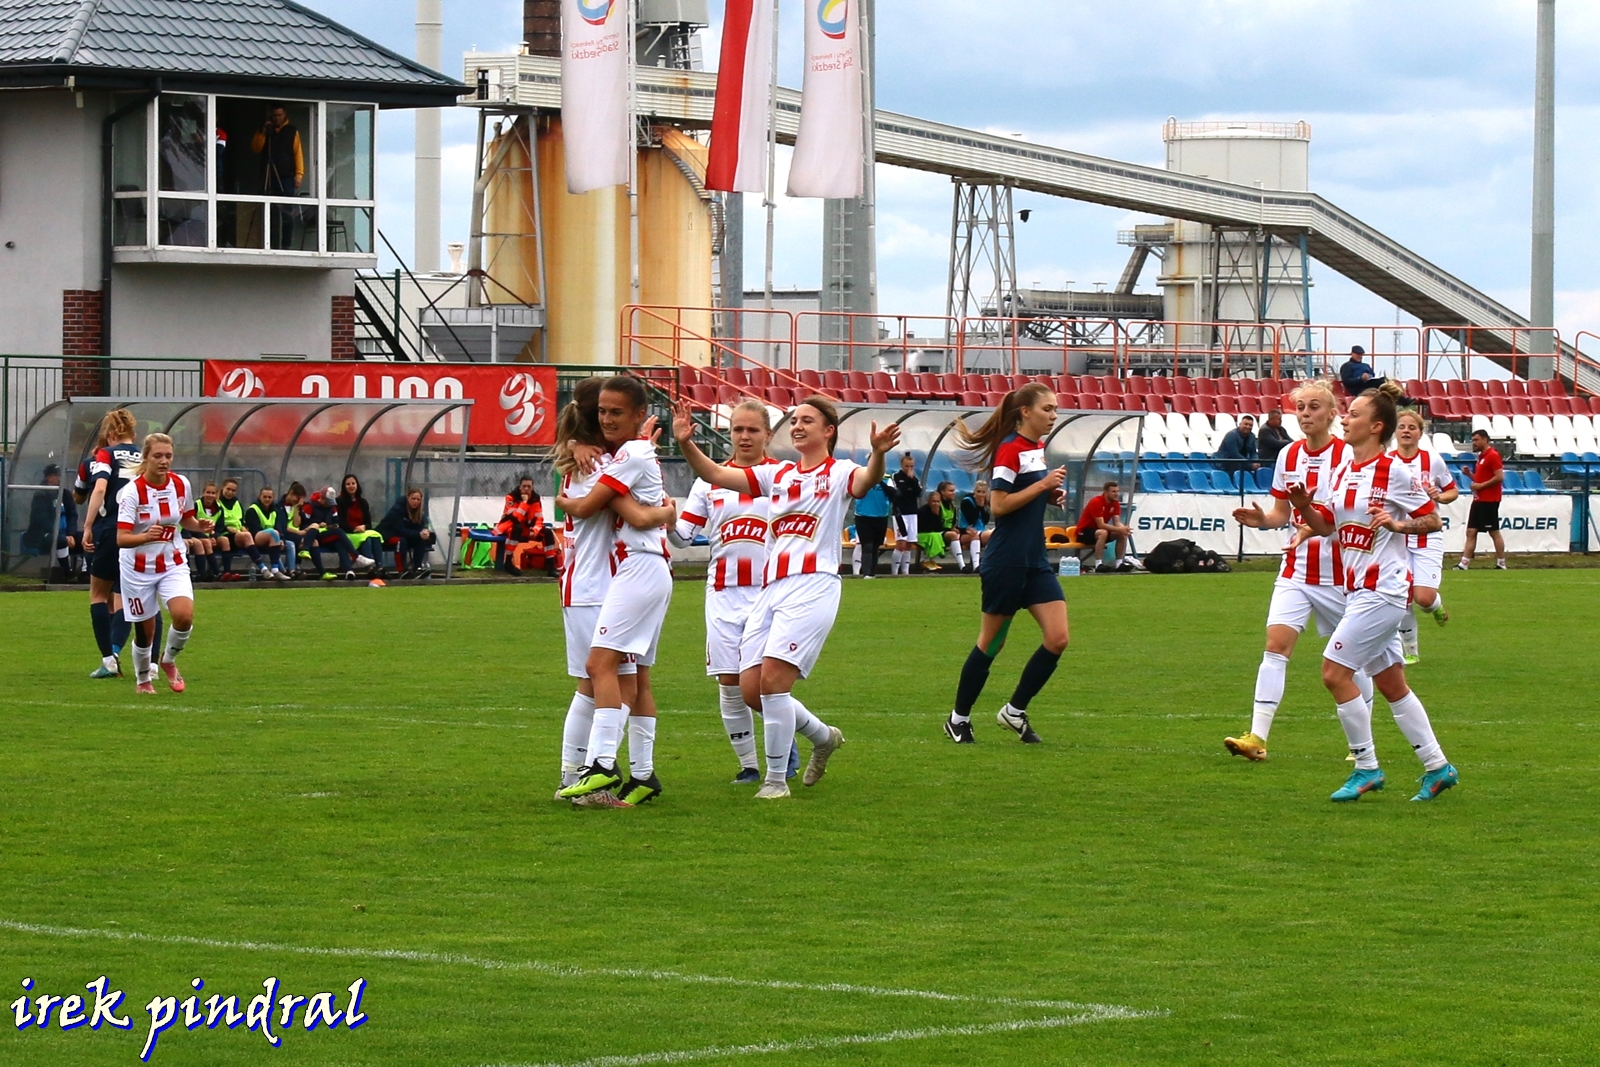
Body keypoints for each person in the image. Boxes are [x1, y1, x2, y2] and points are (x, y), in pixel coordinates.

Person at [673, 394, 900, 798]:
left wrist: (878, 453)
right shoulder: (779, 475)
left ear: (828, 431)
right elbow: (715, 474)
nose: (797, 426)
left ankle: (775, 781)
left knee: (774, 682)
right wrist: (686, 442)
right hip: (771, 588)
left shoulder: (839, 472)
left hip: (813, 585)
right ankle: (823, 737)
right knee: (749, 688)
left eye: (807, 420)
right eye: (794, 420)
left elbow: (866, 481)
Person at [1288, 381, 1459, 802]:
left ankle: (1366, 768)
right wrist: (1304, 505)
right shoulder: (1343, 469)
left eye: (1354, 415)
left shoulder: (1395, 471)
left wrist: (1398, 524)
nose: (1345, 419)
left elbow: (1433, 520)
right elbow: (1326, 525)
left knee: (1334, 673)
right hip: (1356, 589)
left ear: (1376, 426)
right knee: (1391, 684)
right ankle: (1438, 767)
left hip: (1382, 591)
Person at [1225, 380, 1369, 763]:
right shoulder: (1288, 454)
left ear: (1332, 413)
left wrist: (1308, 520)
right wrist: (1262, 520)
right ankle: (1257, 737)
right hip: (1297, 570)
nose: (1305, 414)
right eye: (1300, 407)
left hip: (1342, 574)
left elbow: (1339, 518)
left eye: (1314, 407)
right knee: (1276, 646)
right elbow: (1280, 513)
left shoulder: (1348, 455)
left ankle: (1362, 744)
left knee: (1354, 661)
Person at [556, 376, 679, 808]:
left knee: (603, 678)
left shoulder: (611, 460)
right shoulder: (600, 463)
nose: (609, 419)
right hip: (602, 580)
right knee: (618, 680)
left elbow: (635, 512)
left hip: (610, 579)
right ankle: (616, 773)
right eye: (603, 413)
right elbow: (647, 514)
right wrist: (666, 511)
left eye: (616, 412)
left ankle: (595, 771)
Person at [940, 384, 1071, 746]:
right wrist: (1043, 485)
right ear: (1025, 412)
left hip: (1034, 561)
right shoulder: (1010, 449)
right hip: (1007, 562)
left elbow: (1024, 495)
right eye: (1047, 409)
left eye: (1055, 409)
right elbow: (999, 505)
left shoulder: (1035, 448)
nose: (1054, 415)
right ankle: (958, 718)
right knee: (991, 644)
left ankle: (1014, 711)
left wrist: (1049, 494)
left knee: (1058, 639)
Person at [676, 399, 797, 783]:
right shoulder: (707, 481)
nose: (744, 437)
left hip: (769, 592)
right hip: (723, 592)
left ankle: (790, 745)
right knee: (729, 682)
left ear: (768, 434)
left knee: (762, 683)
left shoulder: (784, 476)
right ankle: (749, 765)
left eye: (753, 430)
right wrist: (657, 513)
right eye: (738, 430)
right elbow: (682, 536)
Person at [115, 433, 210, 695]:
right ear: (146, 457)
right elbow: (121, 538)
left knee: (184, 616)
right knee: (145, 632)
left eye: (168, 456)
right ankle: (143, 680)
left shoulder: (180, 484)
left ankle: (168, 660)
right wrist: (145, 537)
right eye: (157, 456)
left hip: (172, 562)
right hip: (137, 569)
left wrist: (199, 526)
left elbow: (186, 519)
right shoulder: (132, 492)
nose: (164, 461)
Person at [1391, 409, 1456, 662]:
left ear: (1420, 433)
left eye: (1412, 427)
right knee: (1401, 595)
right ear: (1395, 432)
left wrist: (1439, 496)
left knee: (1423, 598)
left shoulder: (1432, 460)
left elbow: (1452, 491)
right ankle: (1410, 651)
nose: (1406, 431)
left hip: (1427, 535)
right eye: (1402, 427)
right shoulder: (1386, 461)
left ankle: (1435, 605)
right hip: (1397, 537)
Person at [80, 409, 141, 679]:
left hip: (111, 530)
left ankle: (108, 660)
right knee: (127, 598)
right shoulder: (145, 456)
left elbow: (100, 489)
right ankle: (129, 655)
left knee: (98, 595)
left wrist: (88, 525)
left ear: (112, 433)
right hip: (139, 533)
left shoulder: (106, 454)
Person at [1456, 428, 1506, 570]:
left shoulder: (1493, 455)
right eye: (1473, 440)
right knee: (1471, 531)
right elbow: (1481, 480)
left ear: (1485, 439)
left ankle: (1501, 563)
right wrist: (1470, 475)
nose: (1474, 443)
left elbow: (1499, 476)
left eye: (1476, 440)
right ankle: (1464, 564)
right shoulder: (1482, 457)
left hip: (1489, 500)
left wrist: (1481, 486)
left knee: (1493, 531)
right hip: (1479, 499)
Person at [24, 464, 81, 581]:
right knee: (60, 540)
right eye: (56, 475)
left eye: (60, 475)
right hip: (42, 536)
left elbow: (72, 515)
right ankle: (67, 572)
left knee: (87, 538)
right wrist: (62, 536)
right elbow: (42, 520)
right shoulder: (41, 494)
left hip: (66, 533)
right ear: (48, 478)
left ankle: (86, 573)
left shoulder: (65, 494)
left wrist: (71, 534)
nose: (59, 478)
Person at [495, 477, 557, 577]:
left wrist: (534, 530)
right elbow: (516, 518)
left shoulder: (536, 498)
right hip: (509, 527)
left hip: (527, 529)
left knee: (547, 533)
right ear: (520, 487)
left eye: (529, 486)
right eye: (524, 486)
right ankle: (508, 563)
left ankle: (551, 567)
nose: (526, 489)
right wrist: (524, 503)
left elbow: (539, 518)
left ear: (532, 488)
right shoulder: (511, 497)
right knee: (516, 528)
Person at [1077, 480, 1134, 573]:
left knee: (1122, 534)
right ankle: (1098, 564)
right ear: (1106, 492)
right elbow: (1101, 524)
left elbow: (1117, 522)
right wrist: (1120, 529)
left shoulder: (1115, 503)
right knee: (1103, 532)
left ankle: (1119, 563)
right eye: (1113, 492)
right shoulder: (1096, 501)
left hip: (1099, 531)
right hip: (1083, 532)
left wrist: (1124, 529)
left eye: (1117, 491)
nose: (1116, 494)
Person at [380, 488, 437, 578]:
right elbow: (399, 530)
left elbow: (419, 528)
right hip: (387, 536)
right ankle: (401, 571)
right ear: (408, 498)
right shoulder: (397, 510)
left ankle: (417, 568)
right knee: (401, 540)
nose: (415, 501)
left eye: (418, 499)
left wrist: (424, 532)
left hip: (405, 536)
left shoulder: (419, 513)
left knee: (420, 539)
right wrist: (418, 534)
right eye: (413, 498)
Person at [214, 478, 262, 579]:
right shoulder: (217, 503)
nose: (230, 492)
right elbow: (215, 521)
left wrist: (243, 527)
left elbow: (241, 521)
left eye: (233, 490)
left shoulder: (237, 503)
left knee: (248, 535)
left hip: (237, 534)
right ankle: (262, 567)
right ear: (222, 488)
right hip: (223, 533)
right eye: (228, 489)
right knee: (244, 537)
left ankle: (271, 569)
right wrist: (227, 528)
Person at [336, 475, 384, 572]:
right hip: (348, 533)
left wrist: (364, 527)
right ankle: (369, 568)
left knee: (375, 537)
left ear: (357, 485)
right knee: (366, 539)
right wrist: (354, 529)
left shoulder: (363, 502)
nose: (351, 486)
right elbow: (340, 522)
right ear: (344, 486)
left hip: (362, 531)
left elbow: (368, 523)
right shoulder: (339, 502)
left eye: (353, 483)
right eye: (348, 484)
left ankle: (380, 567)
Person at [850, 473, 893, 578]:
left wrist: (880, 482)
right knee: (867, 545)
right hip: (863, 516)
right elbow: (854, 491)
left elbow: (894, 494)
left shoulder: (887, 479)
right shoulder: (862, 477)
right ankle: (866, 574)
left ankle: (872, 573)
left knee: (875, 546)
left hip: (881, 516)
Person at [244, 485, 291, 581]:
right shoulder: (252, 510)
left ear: (273, 498)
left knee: (290, 544)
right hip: (256, 537)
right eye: (264, 497)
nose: (267, 499)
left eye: (269, 497)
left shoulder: (275, 511)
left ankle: (290, 570)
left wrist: (281, 540)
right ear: (259, 497)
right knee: (274, 533)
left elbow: (279, 527)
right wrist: (272, 536)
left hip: (272, 539)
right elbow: (254, 529)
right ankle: (275, 569)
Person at [889, 453, 923, 575]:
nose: (909, 468)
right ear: (901, 465)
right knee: (901, 543)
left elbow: (919, 492)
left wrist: (912, 480)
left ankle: (905, 571)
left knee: (909, 544)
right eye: (906, 466)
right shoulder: (896, 477)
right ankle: (894, 572)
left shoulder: (915, 479)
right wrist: (907, 481)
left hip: (912, 513)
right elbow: (897, 493)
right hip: (900, 514)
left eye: (911, 466)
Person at [955, 481, 992, 574]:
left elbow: (985, 521)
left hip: (980, 530)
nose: (981, 494)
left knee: (997, 533)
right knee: (991, 535)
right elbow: (972, 520)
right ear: (974, 491)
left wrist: (982, 507)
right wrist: (979, 506)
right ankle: (980, 564)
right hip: (967, 531)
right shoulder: (966, 502)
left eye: (983, 492)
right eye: (978, 492)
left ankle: (987, 561)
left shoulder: (985, 502)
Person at [917, 489, 953, 568]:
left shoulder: (938, 510)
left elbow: (939, 528)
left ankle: (930, 560)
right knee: (933, 536)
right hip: (920, 534)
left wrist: (936, 515)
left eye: (938, 502)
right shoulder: (922, 511)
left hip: (932, 533)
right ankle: (926, 560)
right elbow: (924, 528)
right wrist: (934, 516)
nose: (936, 504)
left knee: (936, 535)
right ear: (928, 501)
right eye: (933, 501)